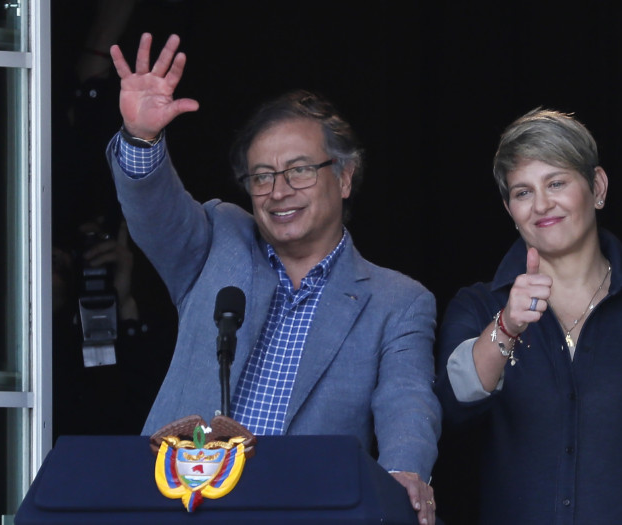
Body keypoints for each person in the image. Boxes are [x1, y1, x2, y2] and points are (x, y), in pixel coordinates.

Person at [104, 33, 441, 524]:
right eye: (261, 176)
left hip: (299, 510)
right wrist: (141, 139)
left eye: (300, 170)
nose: (278, 191)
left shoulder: (397, 301)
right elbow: (157, 216)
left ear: (345, 178)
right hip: (176, 507)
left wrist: (404, 473)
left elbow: (406, 401)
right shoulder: (220, 239)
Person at [434, 108, 622, 523]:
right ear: (510, 209)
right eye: (523, 192)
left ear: (597, 187)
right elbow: (449, 408)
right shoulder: (479, 305)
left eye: (557, 182)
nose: (542, 204)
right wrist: (507, 326)